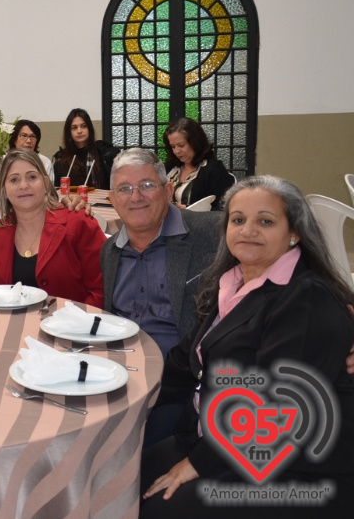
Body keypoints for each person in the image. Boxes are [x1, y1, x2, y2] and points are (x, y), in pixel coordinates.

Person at [140, 176, 354, 517]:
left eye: (265, 221)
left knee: (157, 509)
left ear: (294, 232)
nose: (248, 230)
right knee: (116, 476)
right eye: (238, 220)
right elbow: (185, 362)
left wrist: (196, 464)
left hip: (284, 465)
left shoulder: (305, 300)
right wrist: (130, 394)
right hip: (213, 435)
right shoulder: (234, 280)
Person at [102, 148, 221, 357]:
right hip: (118, 367)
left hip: (181, 374)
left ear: (168, 191)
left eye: (146, 185)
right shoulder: (110, 250)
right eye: (124, 189)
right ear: (112, 199)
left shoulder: (212, 234)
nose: (136, 197)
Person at [0, 149, 106, 306]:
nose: (24, 185)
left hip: (70, 327)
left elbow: (100, 291)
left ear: (45, 183)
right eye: (14, 180)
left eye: (32, 177)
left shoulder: (78, 223)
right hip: (8, 326)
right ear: (3, 190)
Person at [163, 117, 235, 210]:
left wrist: (189, 211)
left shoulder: (213, 169)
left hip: (197, 223)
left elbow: (224, 209)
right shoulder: (170, 167)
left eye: (181, 145)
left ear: (195, 142)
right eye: (173, 147)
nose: (177, 151)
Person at [53, 108, 120, 190]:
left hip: (100, 201)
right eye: (74, 128)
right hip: (71, 201)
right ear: (69, 132)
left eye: (83, 126)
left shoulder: (102, 153)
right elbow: (58, 190)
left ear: (89, 129)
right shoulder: (61, 159)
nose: (79, 131)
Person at [0, 119, 54, 187]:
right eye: (24, 136)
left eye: (32, 136)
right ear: (14, 139)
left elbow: (49, 190)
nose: (28, 141)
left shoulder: (44, 162)